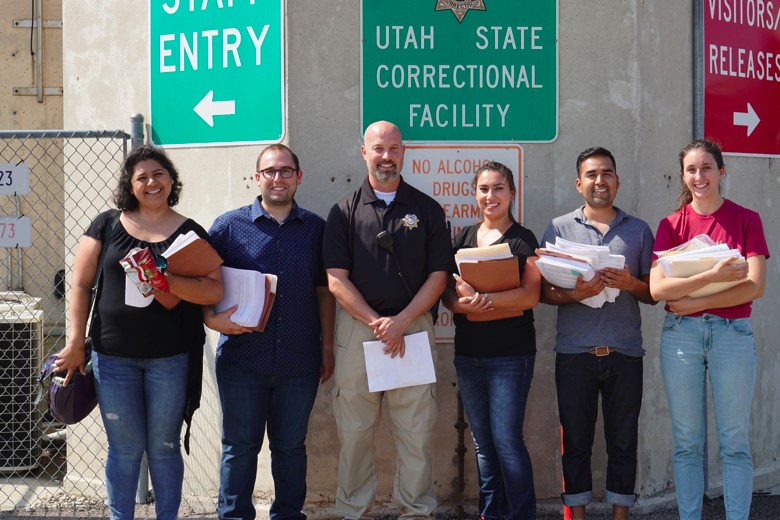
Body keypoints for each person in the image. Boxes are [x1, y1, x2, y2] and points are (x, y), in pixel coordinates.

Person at [55, 145, 224, 520]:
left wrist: (168, 281)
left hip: (171, 357)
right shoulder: (107, 224)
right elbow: (80, 284)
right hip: (112, 358)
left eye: (159, 174)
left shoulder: (189, 231)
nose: (151, 182)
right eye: (142, 177)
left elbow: (213, 289)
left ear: (171, 180)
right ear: (130, 186)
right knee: (125, 447)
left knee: (164, 445)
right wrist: (74, 343)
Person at [322, 120, 453, 519]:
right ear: (364, 152)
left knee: (415, 433)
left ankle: (416, 511)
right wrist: (378, 321)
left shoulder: (426, 209)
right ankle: (351, 512)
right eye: (378, 148)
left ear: (403, 153)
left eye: (394, 149)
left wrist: (401, 322)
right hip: (358, 330)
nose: (386, 157)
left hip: (411, 329)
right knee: (355, 433)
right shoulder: (343, 211)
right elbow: (335, 279)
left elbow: (438, 277)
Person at [205, 144, 335, 520]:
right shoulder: (228, 227)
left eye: (285, 171)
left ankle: (288, 515)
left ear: (298, 176)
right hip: (242, 360)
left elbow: (324, 290)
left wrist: (327, 347)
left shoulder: (316, 229)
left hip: (299, 359)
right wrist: (210, 319)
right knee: (239, 448)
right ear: (257, 177)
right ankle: (234, 516)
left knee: (291, 448)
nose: (278, 178)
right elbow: (202, 278)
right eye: (270, 172)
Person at [649, 139, 768, 520]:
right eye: (691, 170)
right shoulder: (671, 225)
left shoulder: (747, 219)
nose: (699, 176)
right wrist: (714, 276)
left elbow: (755, 285)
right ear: (683, 175)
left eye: (706, 168)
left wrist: (697, 299)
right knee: (687, 443)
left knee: (734, 443)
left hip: (732, 335)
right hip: (680, 336)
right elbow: (657, 289)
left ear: (721, 171)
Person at [539, 147, 655, 520]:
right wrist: (577, 293)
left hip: (625, 353)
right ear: (579, 183)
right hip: (575, 354)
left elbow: (652, 293)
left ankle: (621, 515)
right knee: (575, 443)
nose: (599, 181)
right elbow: (543, 292)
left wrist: (631, 282)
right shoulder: (559, 228)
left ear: (617, 181)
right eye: (591, 175)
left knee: (623, 442)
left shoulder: (638, 230)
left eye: (606, 173)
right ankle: (577, 514)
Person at [441, 161, 542, 520]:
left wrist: (483, 302)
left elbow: (530, 297)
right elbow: (448, 298)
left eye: (498, 188)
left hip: (511, 356)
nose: (490, 196)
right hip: (468, 355)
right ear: (475, 194)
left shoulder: (523, 239)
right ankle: (491, 513)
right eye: (484, 189)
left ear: (512, 193)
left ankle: (520, 514)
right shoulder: (463, 238)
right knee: (483, 444)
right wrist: (464, 305)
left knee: (507, 442)